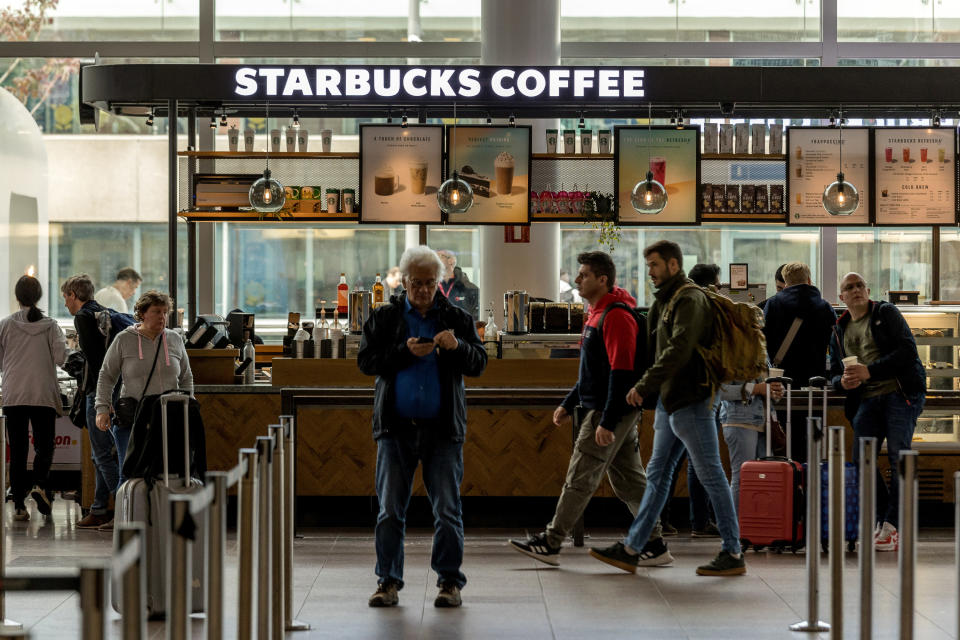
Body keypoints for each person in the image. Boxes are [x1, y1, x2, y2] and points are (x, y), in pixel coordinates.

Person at [589, 240, 746, 576]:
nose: (651, 272)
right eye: (649, 266)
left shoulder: (690, 299)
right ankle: (634, 546)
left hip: (693, 399)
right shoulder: (666, 301)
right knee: (657, 475)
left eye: (655, 265)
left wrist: (643, 385)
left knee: (711, 475)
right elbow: (656, 349)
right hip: (670, 401)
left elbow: (679, 349)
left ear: (674, 265)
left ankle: (733, 552)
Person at [508, 251, 671, 568]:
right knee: (630, 481)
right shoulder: (596, 315)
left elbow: (620, 374)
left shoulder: (617, 317)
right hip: (605, 409)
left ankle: (551, 542)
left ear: (603, 280)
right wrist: (569, 402)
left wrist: (607, 421)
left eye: (583, 275)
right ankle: (654, 542)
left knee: (580, 476)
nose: (578, 279)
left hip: (607, 411)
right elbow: (594, 373)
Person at [358, 246, 487, 608]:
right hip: (395, 429)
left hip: (442, 430)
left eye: (430, 283)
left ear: (440, 282)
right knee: (389, 511)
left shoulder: (457, 318)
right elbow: (366, 361)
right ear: (404, 281)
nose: (423, 290)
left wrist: (458, 346)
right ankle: (387, 582)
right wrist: (402, 352)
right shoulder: (385, 318)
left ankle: (449, 583)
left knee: (447, 510)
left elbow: (479, 364)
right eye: (416, 283)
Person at [830, 272, 925, 552]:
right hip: (867, 401)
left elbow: (908, 351)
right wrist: (842, 382)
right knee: (863, 462)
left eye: (860, 285)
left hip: (900, 394)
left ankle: (893, 526)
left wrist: (870, 370)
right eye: (850, 287)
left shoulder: (886, 313)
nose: (856, 290)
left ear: (867, 290)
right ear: (842, 297)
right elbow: (835, 372)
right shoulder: (838, 329)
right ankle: (881, 520)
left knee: (899, 457)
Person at [95, 290, 194, 487]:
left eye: (165, 312)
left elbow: (186, 377)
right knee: (130, 474)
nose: (162, 317)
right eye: (157, 311)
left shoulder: (174, 339)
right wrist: (102, 409)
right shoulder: (124, 339)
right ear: (142, 313)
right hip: (133, 419)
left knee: (166, 474)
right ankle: (126, 517)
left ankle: (160, 516)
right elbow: (106, 375)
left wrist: (188, 405)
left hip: (168, 419)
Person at [0, 276, 68, 521]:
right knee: (44, 446)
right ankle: (40, 484)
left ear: (17, 297)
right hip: (42, 394)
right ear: (39, 297)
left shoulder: (5, 325)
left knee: (18, 451)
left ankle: (18, 505)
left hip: (14, 394)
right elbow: (62, 358)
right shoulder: (50, 326)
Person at [762, 261, 836, 462]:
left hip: (783, 385)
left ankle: (790, 482)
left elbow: (762, 342)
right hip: (815, 385)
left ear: (785, 283)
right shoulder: (825, 307)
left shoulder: (773, 304)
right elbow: (836, 343)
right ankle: (810, 482)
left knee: (786, 440)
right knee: (813, 440)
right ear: (810, 280)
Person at [62, 274, 120, 530]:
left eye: (66, 297)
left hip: (98, 395)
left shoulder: (83, 317)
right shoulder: (105, 313)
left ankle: (125, 507)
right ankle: (98, 508)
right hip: (113, 392)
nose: (65, 303)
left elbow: (97, 363)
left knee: (102, 454)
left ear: (74, 295)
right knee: (104, 454)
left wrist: (101, 402)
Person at [718, 370, 783, 514]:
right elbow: (720, 391)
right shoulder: (730, 352)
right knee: (742, 479)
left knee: (765, 480)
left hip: (764, 422)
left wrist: (777, 391)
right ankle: (735, 531)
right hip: (739, 421)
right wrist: (755, 389)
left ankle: (757, 528)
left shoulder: (762, 353)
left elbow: (769, 390)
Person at [436, 249, 479, 318]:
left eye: (440, 256)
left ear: (451, 261)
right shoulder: (428, 288)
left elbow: (476, 321)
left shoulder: (470, 289)